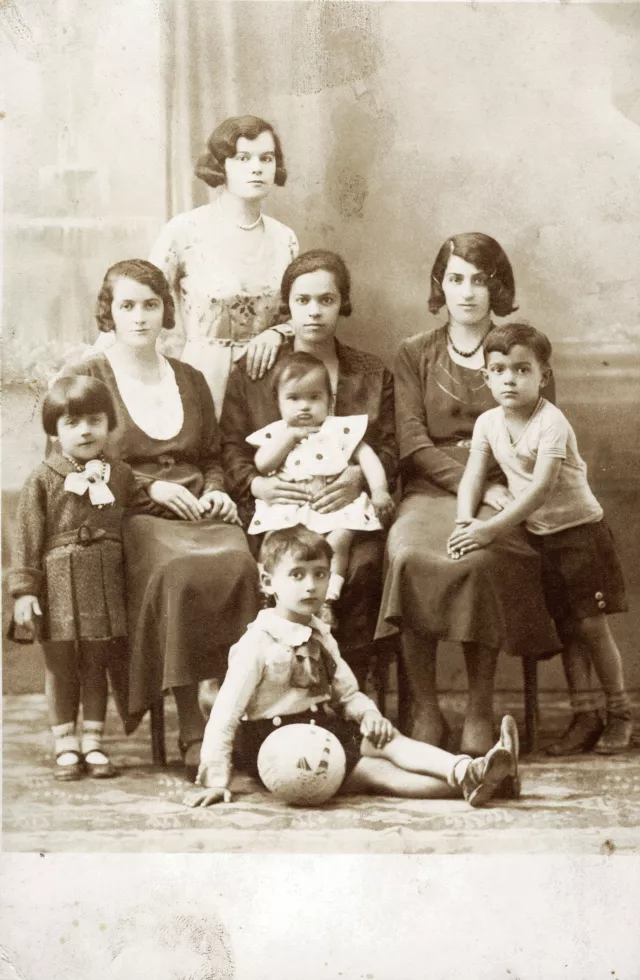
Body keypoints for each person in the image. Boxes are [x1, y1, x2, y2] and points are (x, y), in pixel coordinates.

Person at [64, 259, 260, 780]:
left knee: (240, 564)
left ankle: (237, 713)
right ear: (109, 312)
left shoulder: (190, 378)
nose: (140, 317)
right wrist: (152, 487)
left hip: (201, 507)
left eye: (151, 304)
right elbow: (77, 460)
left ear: (165, 309)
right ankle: (191, 721)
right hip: (130, 513)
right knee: (179, 572)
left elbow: (214, 455)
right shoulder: (89, 376)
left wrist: (218, 491)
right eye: (127, 305)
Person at [376, 233, 560, 756]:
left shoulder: (523, 347)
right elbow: (411, 441)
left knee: (481, 560)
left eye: (480, 280)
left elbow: (539, 431)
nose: (468, 292)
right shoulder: (415, 352)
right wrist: (472, 485)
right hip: (434, 486)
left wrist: (500, 487)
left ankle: (480, 706)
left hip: (508, 489)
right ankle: (427, 707)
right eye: (456, 279)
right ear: (441, 285)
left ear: (497, 286)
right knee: (409, 555)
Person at [185, 526, 520, 808]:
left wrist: (368, 715)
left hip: (325, 726)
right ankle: (486, 785)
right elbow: (225, 713)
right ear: (268, 582)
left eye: (319, 575)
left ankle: (467, 770)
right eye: (297, 575)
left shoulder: (321, 636)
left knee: (391, 742)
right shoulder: (257, 643)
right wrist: (216, 777)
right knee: (375, 771)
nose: (310, 586)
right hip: (279, 746)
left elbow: (348, 692)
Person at [448, 323, 632, 754]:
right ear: (486, 377)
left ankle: (620, 713)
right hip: (543, 539)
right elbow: (473, 475)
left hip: (581, 535)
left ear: (543, 375)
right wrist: (463, 522)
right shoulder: (488, 422)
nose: (509, 378)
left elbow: (540, 489)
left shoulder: (551, 421)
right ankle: (585, 715)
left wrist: (489, 529)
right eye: (499, 369)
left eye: (521, 369)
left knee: (592, 627)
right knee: (568, 628)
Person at [220, 249, 398, 686]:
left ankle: (352, 691)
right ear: (288, 307)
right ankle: (276, 688)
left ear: (343, 304)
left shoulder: (371, 373)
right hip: (280, 512)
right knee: (275, 566)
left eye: (327, 300)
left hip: (348, 515)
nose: (315, 312)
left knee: (366, 567)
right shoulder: (256, 370)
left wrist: (359, 479)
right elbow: (230, 448)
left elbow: (391, 449)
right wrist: (258, 487)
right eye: (302, 301)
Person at [7, 376, 154, 781]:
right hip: (57, 585)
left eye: (94, 420)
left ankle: (93, 740)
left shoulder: (119, 474)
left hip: (104, 583)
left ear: (109, 424)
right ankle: (64, 742)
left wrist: (164, 494)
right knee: (59, 666)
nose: (86, 430)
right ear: (54, 432)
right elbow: (26, 538)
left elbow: (142, 505)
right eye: (72, 423)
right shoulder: (43, 478)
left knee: (96, 664)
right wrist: (23, 591)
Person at [147, 114, 299, 417]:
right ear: (221, 166)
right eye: (243, 158)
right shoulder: (184, 230)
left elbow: (302, 314)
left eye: (266, 158)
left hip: (265, 379)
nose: (256, 168)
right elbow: (143, 297)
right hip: (201, 377)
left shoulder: (285, 238)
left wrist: (278, 333)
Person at [246, 350, 395, 625]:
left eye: (314, 398)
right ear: (278, 403)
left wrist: (380, 490)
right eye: (293, 399)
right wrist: (288, 438)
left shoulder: (339, 430)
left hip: (336, 507)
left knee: (339, 541)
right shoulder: (279, 433)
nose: (304, 407)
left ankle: (328, 598)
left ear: (330, 400)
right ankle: (272, 595)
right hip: (291, 508)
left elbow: (368, 459)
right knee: (273, 543)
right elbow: (262, 464)